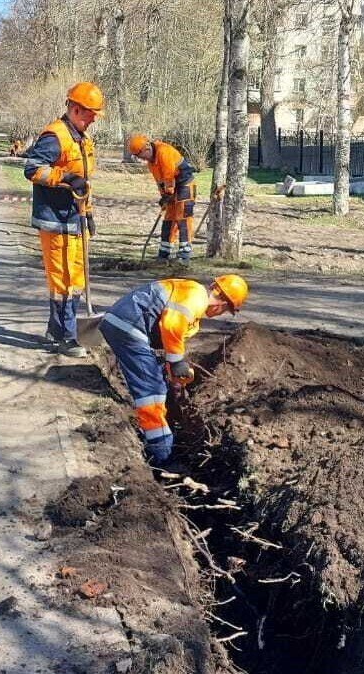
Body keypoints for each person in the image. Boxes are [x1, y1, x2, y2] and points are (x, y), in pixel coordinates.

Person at [100, 275, 248, 464]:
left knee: (156, 380)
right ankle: (162, 454)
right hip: (129, 326)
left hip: (126, 324)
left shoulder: (191, 297)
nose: (222, 314)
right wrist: (176, 362)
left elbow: (171, 338)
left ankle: (160, 440)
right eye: (227, 310)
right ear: (223, 304)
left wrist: (174, 372)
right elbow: (171, 326)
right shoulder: (195, 297)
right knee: (152, 392)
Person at [23, 82, 105, 358]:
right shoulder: (54, 136)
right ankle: (65, 336)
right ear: (74, 108)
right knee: (62, 279)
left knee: (77, 277)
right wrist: (64, 178)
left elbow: (85, 182)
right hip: (54, 217)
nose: (93, 119)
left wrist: (89, 212)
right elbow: (32, 169)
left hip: (76, 216)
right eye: (90, 113)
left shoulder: (82, 138)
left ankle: (57, 330)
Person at [126, 134, 197, 264]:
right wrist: (163, 196)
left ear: (146, 147)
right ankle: (164, 253)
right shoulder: (151, 163)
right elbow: (160, 181)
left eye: (139, 154)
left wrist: (168, 193)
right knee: (168, 219)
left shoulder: (164, 152)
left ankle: (184, 255)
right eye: (137, 156)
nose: (140, 158)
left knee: (183, 218)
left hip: (184, 184)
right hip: (171, 189)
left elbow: (169, 177)